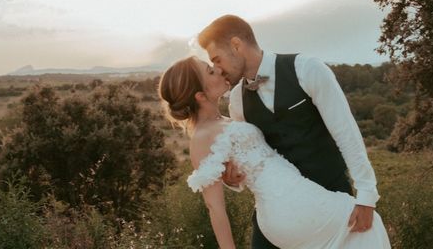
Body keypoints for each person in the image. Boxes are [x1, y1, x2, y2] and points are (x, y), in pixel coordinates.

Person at [158, 56, 391, 249]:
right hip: (285, 206)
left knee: (362, 231)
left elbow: (244, 163)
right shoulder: (201, 137)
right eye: (210, 72)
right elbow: (214, 207)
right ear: (200, 95)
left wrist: (234, 177)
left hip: (295, 198)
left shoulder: (226, 119)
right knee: (368, 227)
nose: (218, 70)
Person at [197, 14, 381, 248]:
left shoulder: (307, 69)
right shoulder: (237, 100)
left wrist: (367, 196)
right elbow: (250, 155)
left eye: (217, 59)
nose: (218, 69)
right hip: (276, 213)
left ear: (236, 45)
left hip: (329, 199)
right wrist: (234, 180)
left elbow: (346, 133)